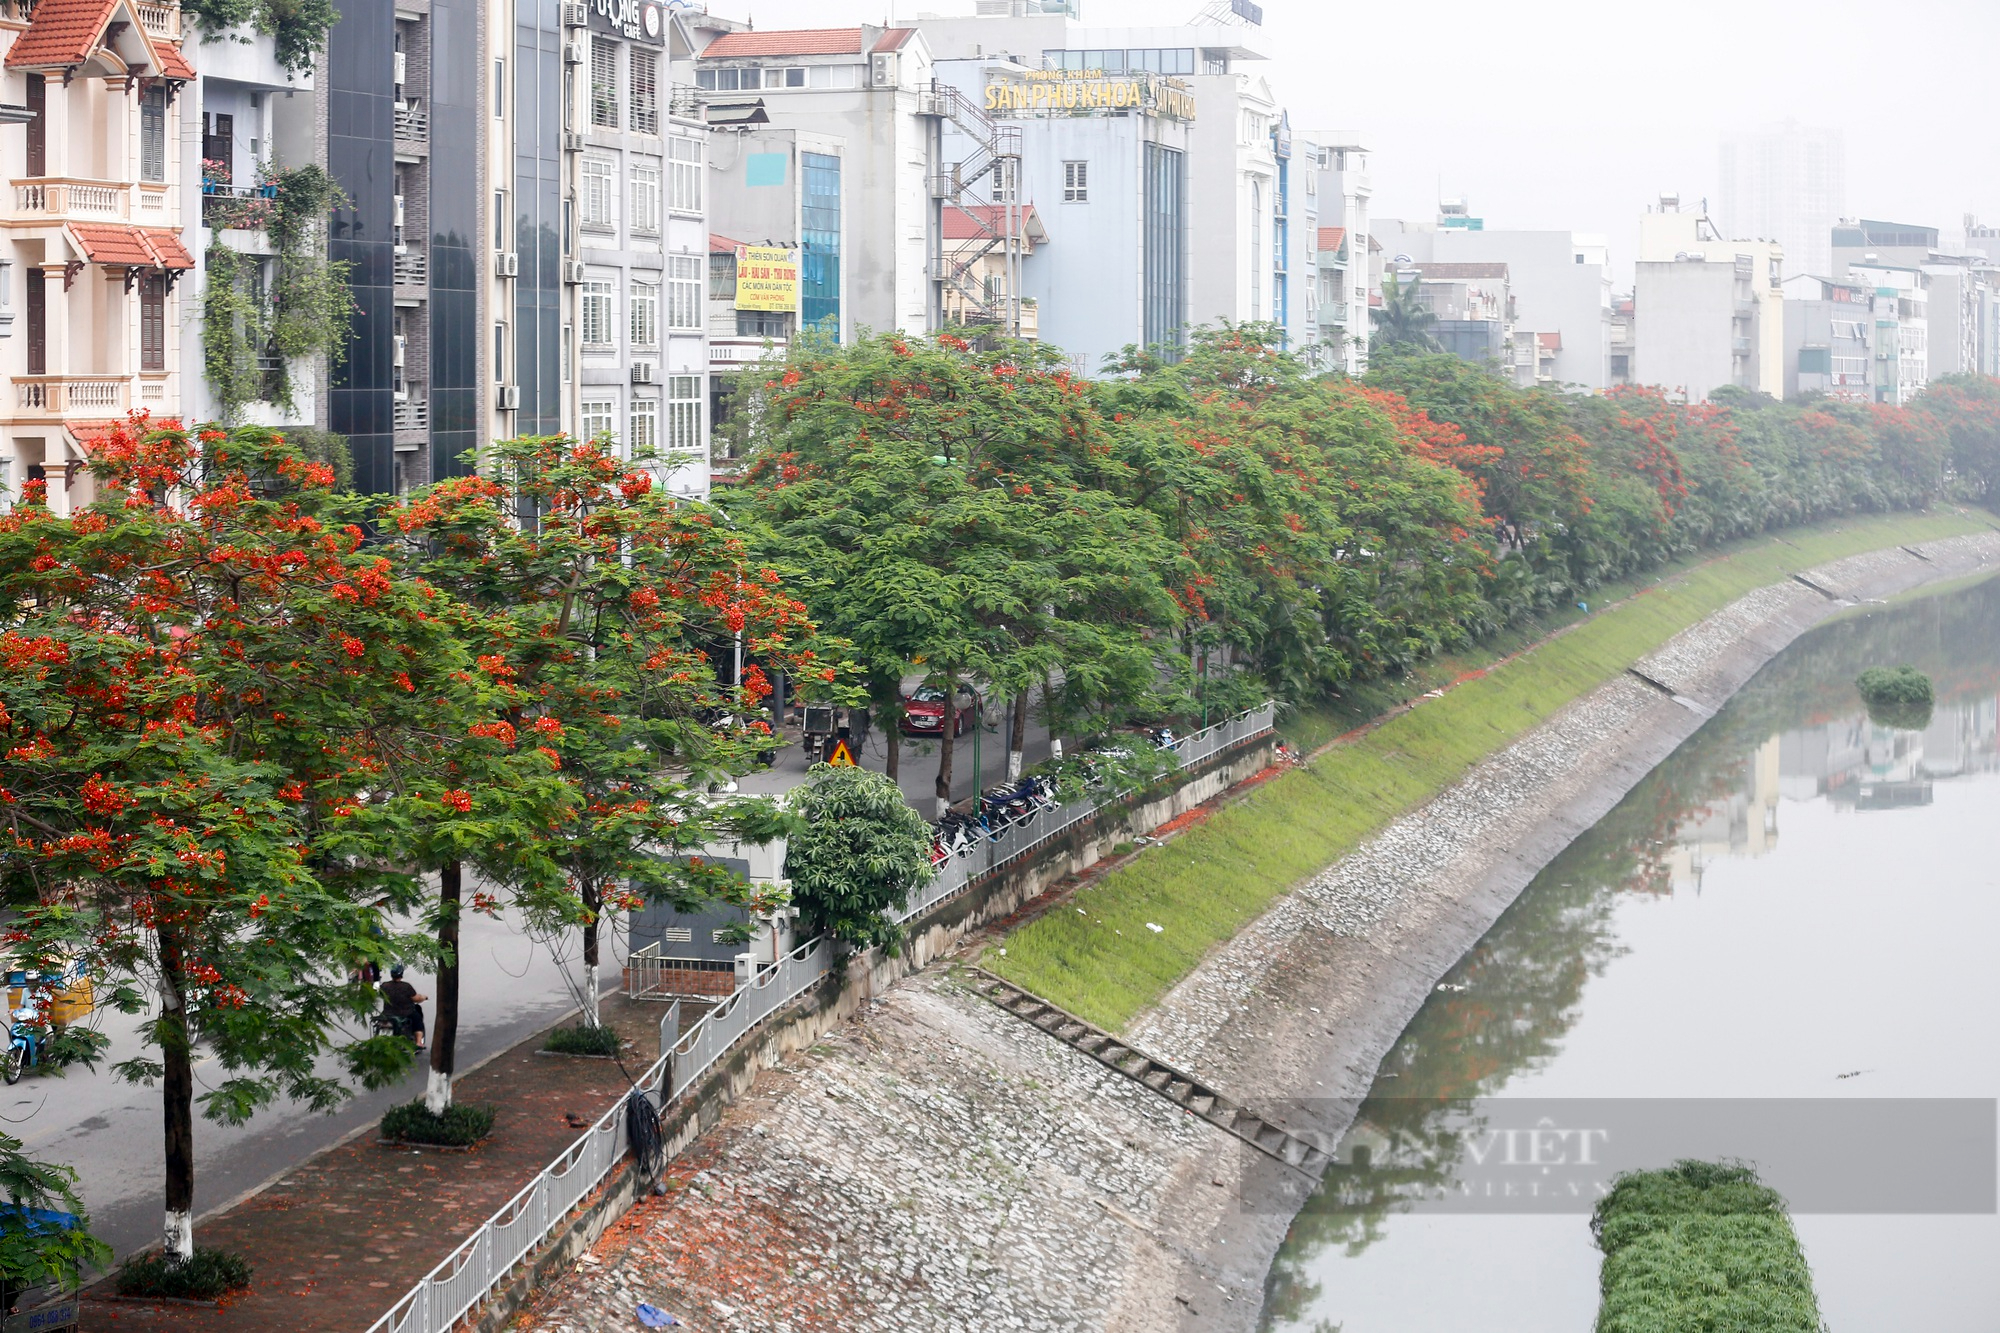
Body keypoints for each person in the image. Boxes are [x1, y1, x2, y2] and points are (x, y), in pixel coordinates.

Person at [378, 965, 427, 1050]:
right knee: (418, 1020)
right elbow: (416, 999)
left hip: (387, 1014)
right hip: (405, 1014)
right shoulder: (406, 986)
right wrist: (423, 997)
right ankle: (419, 1042)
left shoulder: (385, 986)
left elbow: (379, 994)